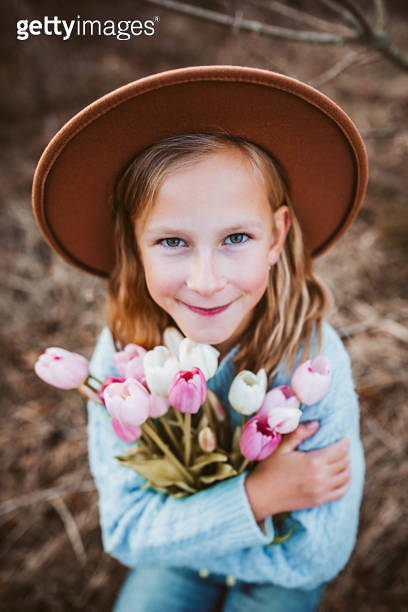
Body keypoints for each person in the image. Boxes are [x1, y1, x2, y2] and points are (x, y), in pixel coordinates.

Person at [32, 66, 368, 612]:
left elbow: (316, 556)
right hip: (179, 565)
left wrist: (185, 528)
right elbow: (126, 531)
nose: (206, 281)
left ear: (277, 237)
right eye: (172, 241)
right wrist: (259, 497)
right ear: (135, 246)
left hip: (276, 573)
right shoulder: (124, 354)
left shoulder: (312, 361)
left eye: (236, 237)